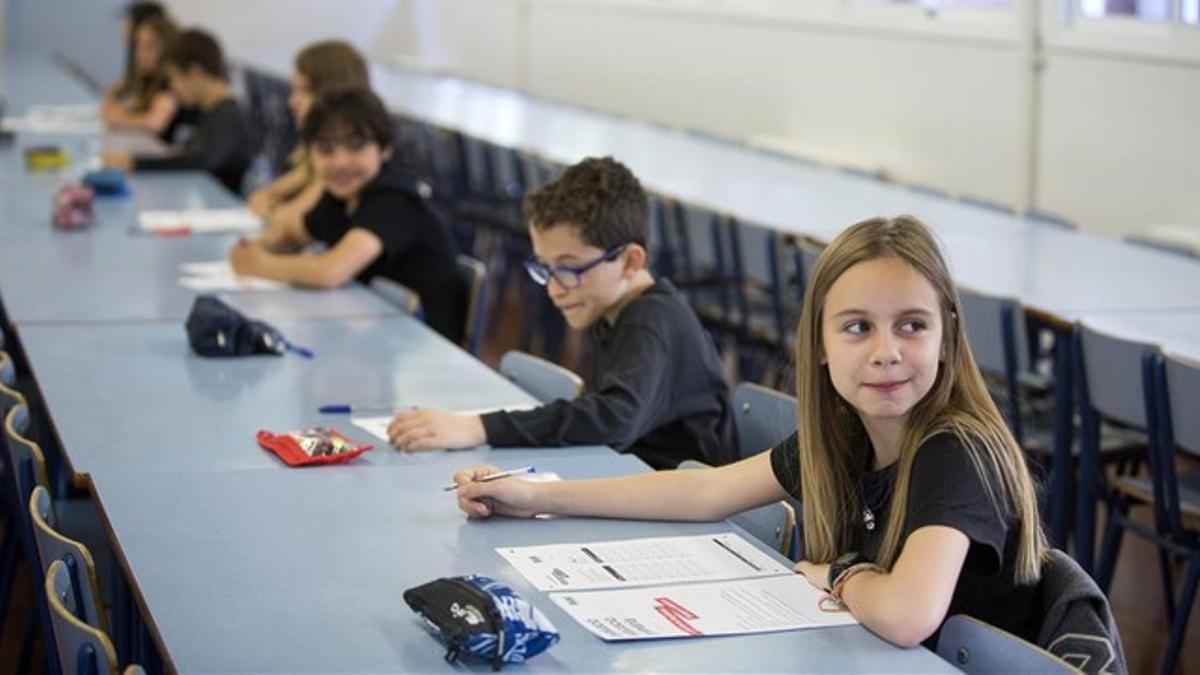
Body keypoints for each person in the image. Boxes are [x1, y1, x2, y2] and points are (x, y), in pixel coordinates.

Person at [450, 215, 1049, 649]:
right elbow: (704, 492)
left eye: (912, 325)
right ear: (818, 343)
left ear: (946, 335)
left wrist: (840, 575)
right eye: (858, 327)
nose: (887, 352)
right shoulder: (846, 432)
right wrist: (535, 497)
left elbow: (907, 615)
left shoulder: (957, 450)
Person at [387, 157, 738, 470]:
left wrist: (477, 428)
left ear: (630, 261)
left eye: (569, 269)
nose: (554, 287)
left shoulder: (651, 322)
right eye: (545, 268)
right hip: (633, 481)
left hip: (683, 515)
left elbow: (613, 420)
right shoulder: (618, 308)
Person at [228, 88, 466, 342]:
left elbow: (329, 271)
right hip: (376, 333)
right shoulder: (341, 197)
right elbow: (293, 234)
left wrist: (260, 264)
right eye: (326, 149)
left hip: (422, 349)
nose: (340, 162)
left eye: (356, 146)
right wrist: (259, 246)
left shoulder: (393, 198)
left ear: (384, 149)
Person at [247, 41, 370, 239]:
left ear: (333, 93)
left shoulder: (342, 161)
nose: (292, 102)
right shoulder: (309, 155)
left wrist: (274, 212)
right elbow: (259, 198)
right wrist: (275, 211)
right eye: (293, 90)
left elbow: (289, 222)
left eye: (304, 91)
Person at [103, 29, 250, 194]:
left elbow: (201, 160)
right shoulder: (205, 110)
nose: (173, 87)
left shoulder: (227, 117)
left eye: (174, 78)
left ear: (195, 73)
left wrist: (133, 164)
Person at [101, 13, 182, 141]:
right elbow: (107, 114)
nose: (140, 55)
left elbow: (155, 123)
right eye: (138, 46)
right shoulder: (145, 79)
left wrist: (119, 118)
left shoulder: (174, 81)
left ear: (167, 48)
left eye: (149, 47)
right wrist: (113, 96)